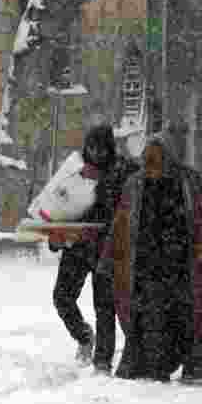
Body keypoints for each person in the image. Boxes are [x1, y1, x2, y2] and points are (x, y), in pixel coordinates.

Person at [97, 129, 202, 384]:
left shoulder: (192, 185)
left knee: (190, 323)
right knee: (149, 328)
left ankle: (194, 366)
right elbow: (121, 225)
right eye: (148, 158)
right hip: (146, 273)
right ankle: (150, 367)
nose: (150, 164)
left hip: (183, 273)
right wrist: (109, 261)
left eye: (156, 158)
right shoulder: (135, 186)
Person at [49, 124, 139, 373]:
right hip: (77, 248)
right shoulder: (74, 172)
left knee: (105, 308)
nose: (96, 154)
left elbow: (130, 207)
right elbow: (58, 206)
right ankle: (84, 337)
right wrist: (55, 238)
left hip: (105, 251)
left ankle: (102, 361)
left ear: (109, 149)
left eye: (101, 149)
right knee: (62, 298)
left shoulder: (122, 172)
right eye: (91, 148)